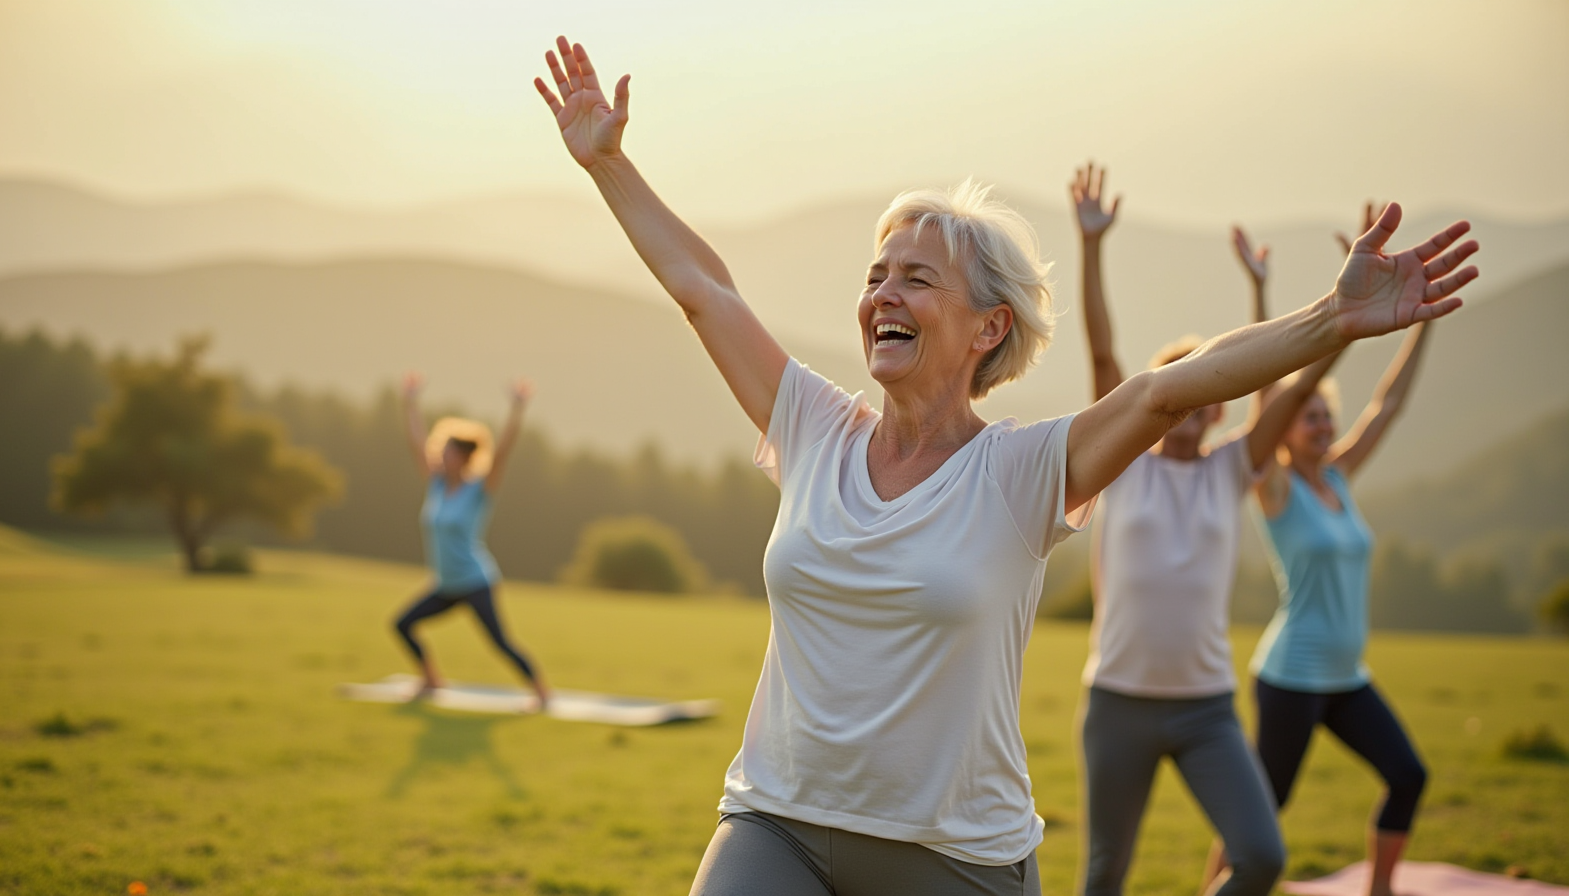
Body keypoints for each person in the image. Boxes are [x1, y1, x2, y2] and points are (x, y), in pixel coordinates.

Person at [533, 36, 1477, 896]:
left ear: (989, 328)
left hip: (955, 855)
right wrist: (608, 163)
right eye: (875, 275)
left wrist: (1330, 320)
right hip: (775, 824)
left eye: (916, 278)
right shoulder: (812, 425)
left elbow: (1165, 392)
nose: (883, 294)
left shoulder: (1022, 472)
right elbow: (706, 290)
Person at [1068, 164, 1340, 896]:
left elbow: (1287, 390)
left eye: (1203, 390)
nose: (1188, 404)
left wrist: (1337, 315)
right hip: (1118, 703)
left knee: (1261, 856)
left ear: (1217, 404)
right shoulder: (1123, 464)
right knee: (1103, 876)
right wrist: (1090, 245)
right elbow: (1102, 356)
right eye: (1175, 388)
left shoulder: (1232, 469)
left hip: (1206, 710)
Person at [1249, 215, 1436, 896]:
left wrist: (1421, 316)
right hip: (1291, 676)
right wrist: (1261, 291)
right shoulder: (1275, 490)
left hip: (1346, 676)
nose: (1324, 425)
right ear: (1286, 430)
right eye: (1311, 417)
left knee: (1408, 776)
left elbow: (1387, 406)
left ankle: (1380, 890)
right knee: (1263, 809)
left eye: (1328, 416)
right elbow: (1267, 397)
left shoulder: (1338, 478)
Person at [392, 373, 550, 708]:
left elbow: (503, 452)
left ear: (463, 458)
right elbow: (416, 443)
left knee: (499, 642)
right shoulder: (436, 485)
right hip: (445, 584)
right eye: (442, 450)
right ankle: (431, 680)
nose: (442, 455)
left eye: (449, 452)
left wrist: (517, 408)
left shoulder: (479, 490)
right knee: (402, 625)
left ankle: (540, 693)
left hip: (476, 581)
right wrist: (410, 401)